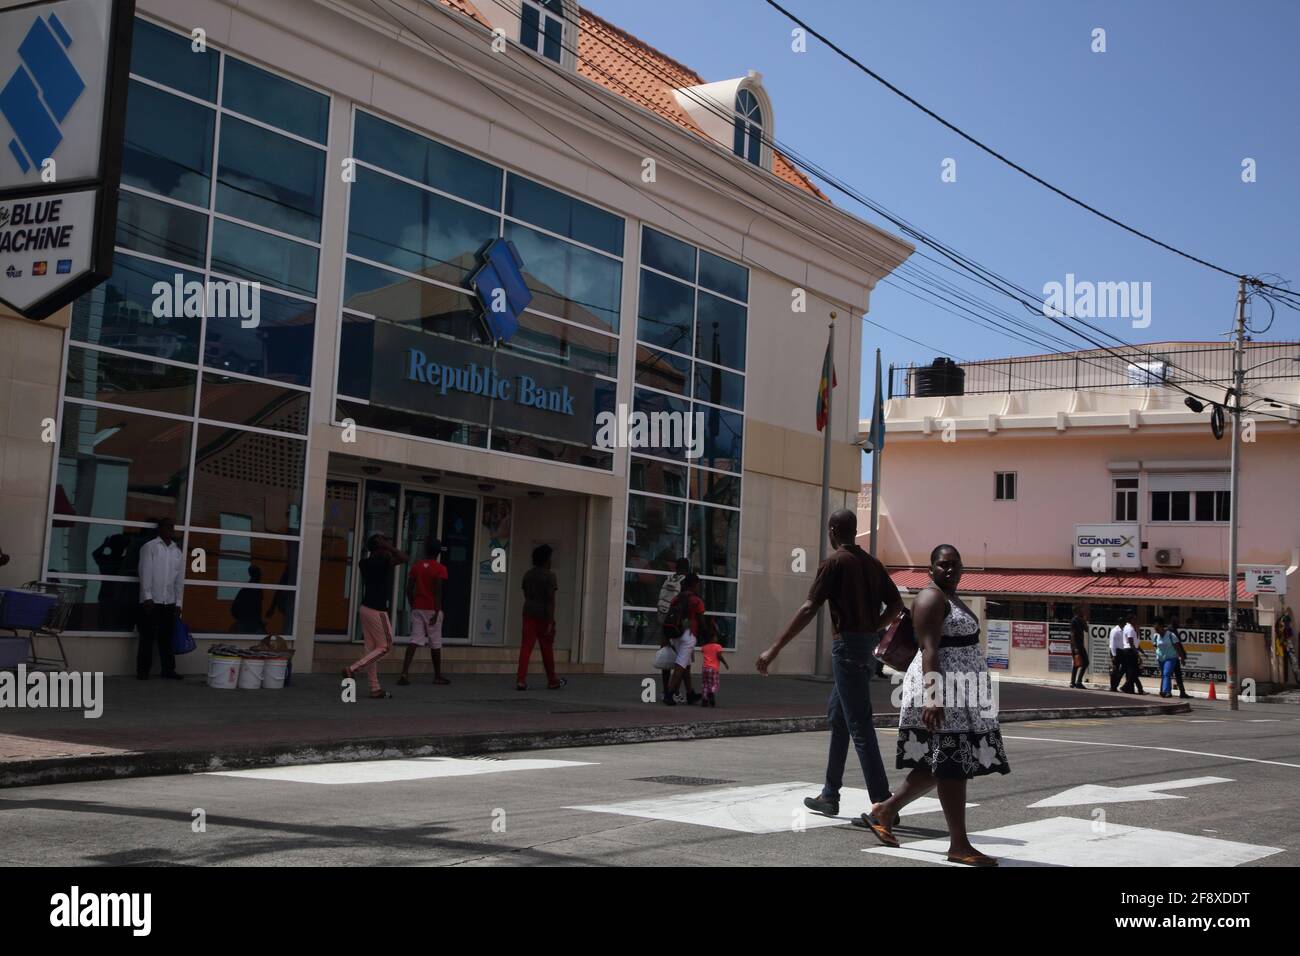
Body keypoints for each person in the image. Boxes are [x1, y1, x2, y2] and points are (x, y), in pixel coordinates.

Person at [757, 509, 903, 833]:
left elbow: (809, 607)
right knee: (839, 717)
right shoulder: (873, 565)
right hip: (865, 648)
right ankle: (829, 794)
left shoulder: (834, 563)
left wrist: (774, 649)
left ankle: (884, 804)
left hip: (847, 648)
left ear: (834, 530)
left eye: (828, 530)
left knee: (860, 725)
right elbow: (895, 607)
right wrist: (872, 628)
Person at [870, 544, 1010, 866]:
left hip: (962, 693)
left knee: (942, 763)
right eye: (943, 564)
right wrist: (934, 698)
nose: (950, 570)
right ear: (930, 568)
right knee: (953, 764)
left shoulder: (951, 597)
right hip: (942, 690)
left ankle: (885, 811)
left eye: (955, 564)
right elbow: (930, 649)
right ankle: (959, 845)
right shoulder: (931, 597)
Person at [343, 533, 407, 699]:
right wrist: (388, 547)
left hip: (365, 609)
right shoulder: (383, 562)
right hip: (377, 611)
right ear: (380, 548)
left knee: (371, 650)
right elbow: (403, 557)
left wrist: (382, 546)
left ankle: (375, 688)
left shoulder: (363, 563)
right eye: (384, 544)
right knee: (386, 646)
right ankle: (353, 669)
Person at [136, 517, 186, 680]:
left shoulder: (177, 551)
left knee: (166, 638)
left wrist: (178, 602)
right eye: (167, 527)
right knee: (147, 638)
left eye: (172, 527)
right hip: (151, 602)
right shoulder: (150, 547)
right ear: (160, 529)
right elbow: (145, 572)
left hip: (169, 602)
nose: (170, 530)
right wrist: (147, 597)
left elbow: (179, 580)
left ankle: (168, 670)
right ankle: (143, 672)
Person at [399, 538, 450, 686]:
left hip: (418, 607)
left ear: (425, 551)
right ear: (438, 552)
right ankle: (438, 676)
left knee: (414, 639)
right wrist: (437, 610)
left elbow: (409, 588)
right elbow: (439, 591)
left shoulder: (417, 566)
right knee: (435, 642)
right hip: (432, 608)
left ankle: (404, 673)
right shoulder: (441, 569)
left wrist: (412, 603)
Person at [517, 544, 566, 690]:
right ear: (546, 560)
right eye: (550, 558)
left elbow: (525, 594)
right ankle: (552, 680)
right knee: (547, 650)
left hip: (528, 613)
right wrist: (550, 621)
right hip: (544, 616)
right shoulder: (550, 576)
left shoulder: (528, 574)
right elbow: (551, 599)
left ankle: (521, 679)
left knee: (526, 647)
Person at [663, 573, 707, 706]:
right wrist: (706, 634)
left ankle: (690, 694)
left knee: (686, 665)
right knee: (681, 665)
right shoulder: (696, 600)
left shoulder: (677, 598)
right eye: (698, 585)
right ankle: (669, 694)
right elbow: (701, 619)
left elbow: (670, 615)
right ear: (694, 584)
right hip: (688, 635)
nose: (699, 588)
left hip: (676, 634)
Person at [657, 558, 696, 703]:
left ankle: (666, 690)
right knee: (683, 661)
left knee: (667, 659)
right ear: (687, 568)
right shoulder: (686, 581)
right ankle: (675, 692)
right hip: (680, 627)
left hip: (665, 624)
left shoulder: (669, 579)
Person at [230, 566, 266, 633]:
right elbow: (234, 608)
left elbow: (258, 608)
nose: (260, 576)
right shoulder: (247, 590)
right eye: (258, 574)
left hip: (251, 622)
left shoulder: (256, 590)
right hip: (247, 623)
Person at [698, 632, 728, 707]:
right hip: (713, 668)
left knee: (705, 684)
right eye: (715, 637)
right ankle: (711, 693)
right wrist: (725, 663)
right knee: (715, 683)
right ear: (712, 638)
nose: (716, 638)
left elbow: (703, 651)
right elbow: (719, 656)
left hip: (705, 668)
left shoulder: (704, 647)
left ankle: (704, 700)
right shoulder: (718, 646)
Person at [1168, 612, 1191, 699]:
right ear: (1174, 622)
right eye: (1177, 622)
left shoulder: (1172, 629)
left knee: (1173, 674)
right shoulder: (1172, 631)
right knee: (1173, 674)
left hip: (1173, 655)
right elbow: (1178, 645)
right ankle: (1171, 691)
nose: (1179, 624)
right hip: (1173, 655)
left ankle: (1180, 692)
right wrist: (1182, 656)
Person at [1154, 617, 1179, 697]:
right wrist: (1157, 652)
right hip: (1161, 658)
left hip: (1171, 657)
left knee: (1166, 673)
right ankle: (1165, 691)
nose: (1156, 631)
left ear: (1162, 626)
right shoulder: (1156, 636)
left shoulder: (1171, 635)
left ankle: (1166, 691)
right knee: (1164, 675)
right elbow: (1155, 645)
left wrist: (1181, 658)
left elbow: (1177, 647)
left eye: (1157, 629)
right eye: (1155, 629)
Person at [1122, 613, 1145, 694]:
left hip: (1130, 650)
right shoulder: (1130, 629)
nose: (1136, 620)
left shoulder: (1131, 628)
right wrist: (1138, 655)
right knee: (1134, 671)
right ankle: (1126, 687)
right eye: (1134, 619)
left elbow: (1136, 644)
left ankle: (1131, 689)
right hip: (1130, 651)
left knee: (1131, 672)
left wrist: (1142, 652)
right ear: (1130, 620)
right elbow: (1132, 644)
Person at [1069, 607, 1090, 688]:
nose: (1082, 611)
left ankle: (1074, 682)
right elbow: (1072, 634)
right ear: (1077, 611)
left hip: (1080, 645)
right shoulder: (1074, 621)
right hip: (1076, 646)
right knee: (1079, 663)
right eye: (1081, 610)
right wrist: (1075, 647)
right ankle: (1077, 682)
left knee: (1081, 663)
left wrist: (1084, 620)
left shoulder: (1081, 620)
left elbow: (1087, 630)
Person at [1108, 620, 1125, 692]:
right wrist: (1114, 655)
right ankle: (1113, 687)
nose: (1124, 624)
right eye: (1123, 623)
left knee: (1122, 669)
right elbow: (1112, 644)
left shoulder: (1123, 630)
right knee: (1114, 670)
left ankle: (1115, 684)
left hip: (1122, 651)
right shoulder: (1115, 631)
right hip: (1116, 651)